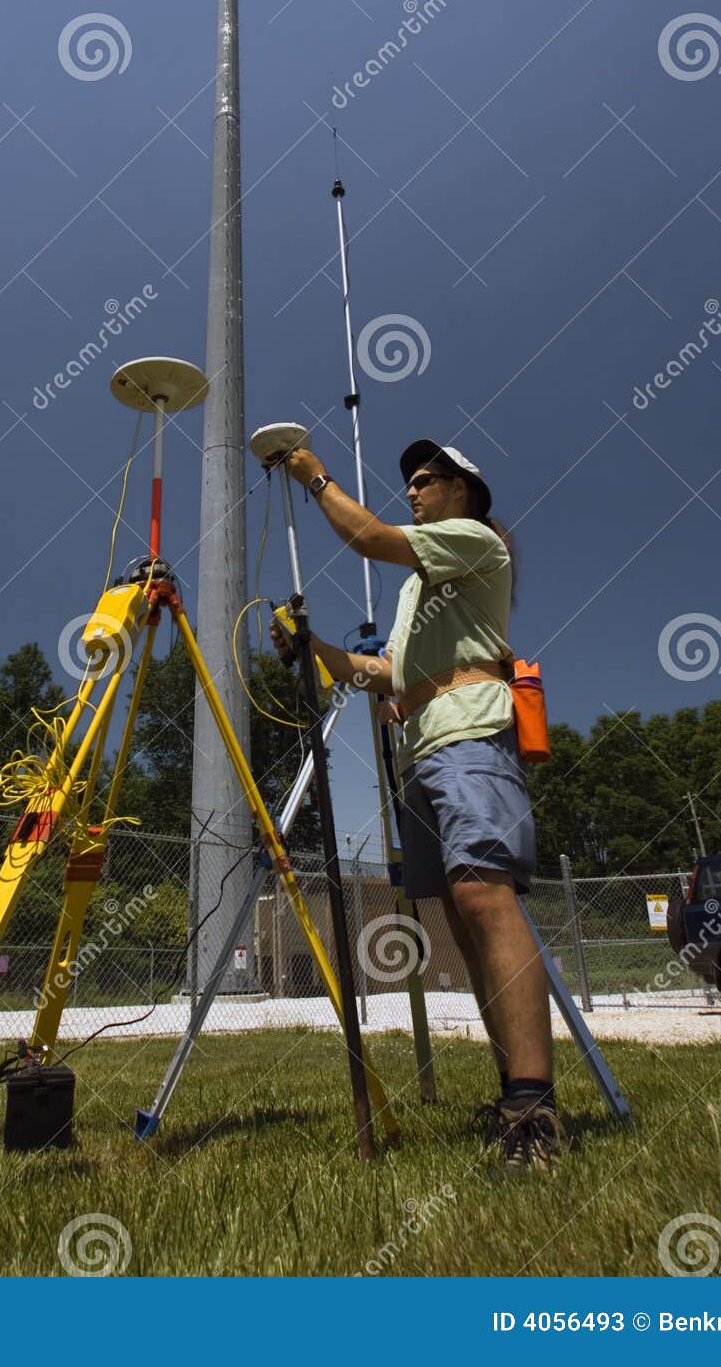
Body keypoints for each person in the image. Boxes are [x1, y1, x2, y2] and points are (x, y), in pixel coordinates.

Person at [269, 437, 568, 1168]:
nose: (412, 488)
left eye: (426, 479)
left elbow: (369, 538)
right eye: (411, 480)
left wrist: (313, 475)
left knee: (483, 897)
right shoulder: (416, 590)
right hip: (422, 749)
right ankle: (512, 1091)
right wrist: (312, 646)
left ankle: (535, 1111)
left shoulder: (472, 540)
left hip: (470, 734)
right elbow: (379, 674)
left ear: (463, 491)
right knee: (463, 922)